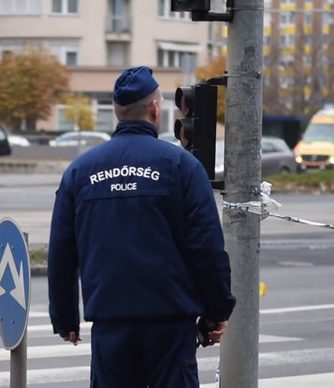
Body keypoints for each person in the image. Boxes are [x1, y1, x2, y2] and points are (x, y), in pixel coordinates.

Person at [48, 66, 236, 387]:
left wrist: (65, 318)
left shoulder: (80, 171)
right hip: (170, 327)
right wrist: (216, 311)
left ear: (117, 113)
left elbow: (63, 251)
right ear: (153, 108)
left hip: (111, 326)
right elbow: (206, 247)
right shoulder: (182, 166)